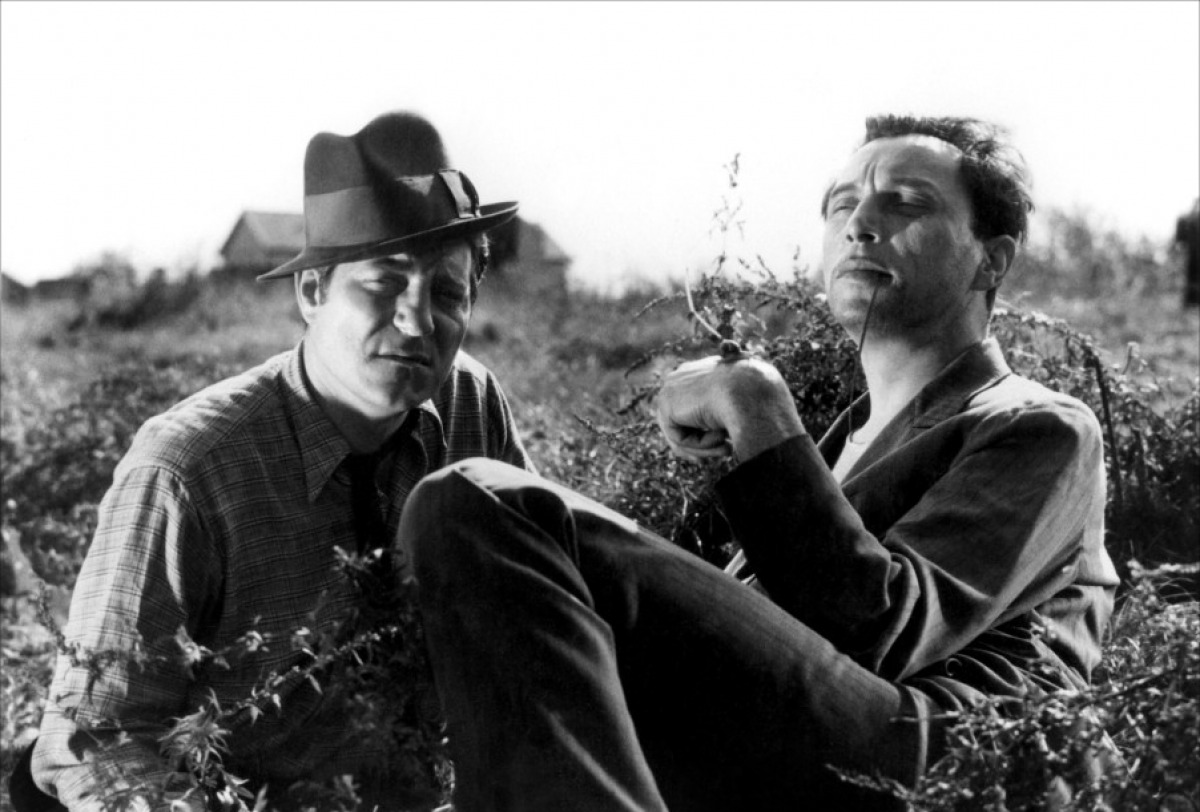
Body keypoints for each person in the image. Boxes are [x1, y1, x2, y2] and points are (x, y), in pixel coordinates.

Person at [400, 115, 1120, 810]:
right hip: (805, 754)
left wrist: (758, 408)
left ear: (992, 259)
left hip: (943, 761)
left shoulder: (1040, 426)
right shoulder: (840, 439)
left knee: (480, 502)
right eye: (842, 203)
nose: (860, 224)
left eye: (906, 202)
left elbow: (884, 635)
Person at [24, 111, 532, 811]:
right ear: (313, 292)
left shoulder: (473, 404)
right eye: (384, 284)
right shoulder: (188, 471)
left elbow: (534, 618)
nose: (418, 322)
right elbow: (98, 739)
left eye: (447, 293)